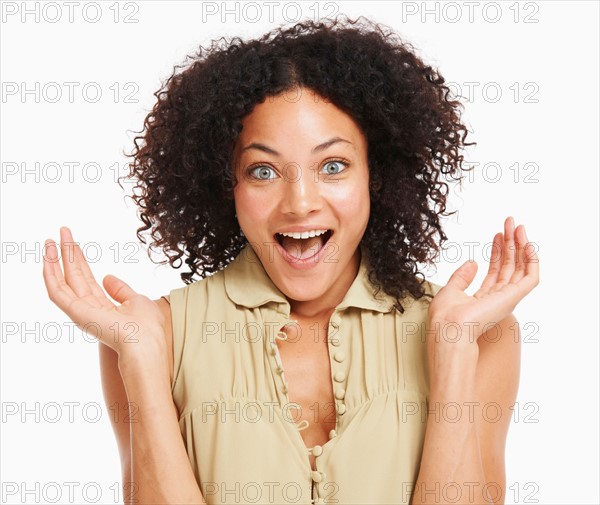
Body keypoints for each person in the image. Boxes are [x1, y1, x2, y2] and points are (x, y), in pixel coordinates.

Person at [42, 15, 539, 505]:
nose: (300, 202)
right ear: (225, 185)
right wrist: (143, 363)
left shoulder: (477, 332)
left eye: (333, 166)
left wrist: (453, 356)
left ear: (377, 174)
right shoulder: (155, 336)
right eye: (263, 170)